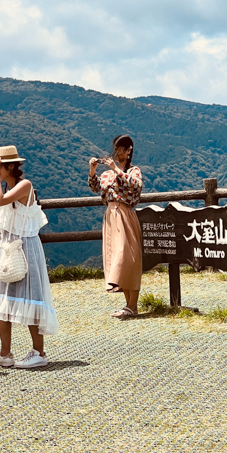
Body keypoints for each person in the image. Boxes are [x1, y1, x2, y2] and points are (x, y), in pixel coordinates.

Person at [0, 145, 58, 369]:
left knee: (30, 297)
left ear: (10, 166)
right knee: (2, 300)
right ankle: (5, 353)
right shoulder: (12, 189)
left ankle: (39, 352)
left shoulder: (25, 185)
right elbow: (6, 226)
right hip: (9, 249)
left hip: (26, 249)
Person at [88, 134, 144, 318]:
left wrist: (117, 170)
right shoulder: (107, 173)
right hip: (111, 215)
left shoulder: (133, 170)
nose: (118, 152)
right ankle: (129, 305)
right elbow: (96, 187)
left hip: (125, 213)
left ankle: (132, 305)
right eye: (116, 148)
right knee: (117, 256)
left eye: (122, 149)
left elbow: (136, 185)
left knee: (127, 257)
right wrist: (92, 170)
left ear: (129, 151)